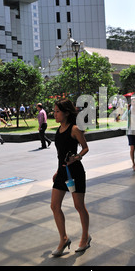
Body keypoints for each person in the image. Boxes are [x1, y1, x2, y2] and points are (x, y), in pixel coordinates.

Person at [50, 99, 90, 256]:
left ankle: (85, 237)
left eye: (57, 111)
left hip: (75, 172)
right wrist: (57, 171)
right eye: (54, 111)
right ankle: (63, 238)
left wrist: (77, 157)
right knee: (54, 206)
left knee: (79, 206)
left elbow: (85, 148)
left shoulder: (74, 129)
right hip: (62, 172)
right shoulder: (58, 129)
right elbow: (60, 155)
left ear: (66, 113)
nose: (55, 114)